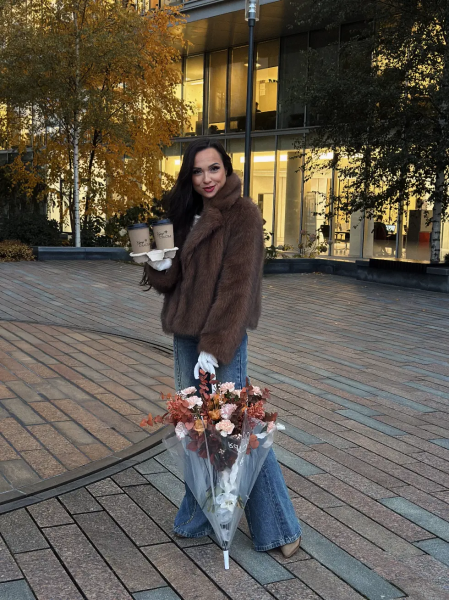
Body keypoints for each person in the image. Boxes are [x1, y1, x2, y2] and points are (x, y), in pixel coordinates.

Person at [141, 138, 301, 558]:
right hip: (185, 335)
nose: (206, 178)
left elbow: (237, 287)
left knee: (237, 428)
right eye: (197, 171)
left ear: (226, 169)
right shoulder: (186, 213)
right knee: (196, 426)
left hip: (222, 338)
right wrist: (159, 265)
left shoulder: (242, 213)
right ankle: (200, 518)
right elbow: (173, 280)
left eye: (213, 168)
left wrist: (214, 348)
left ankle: (281, 528)